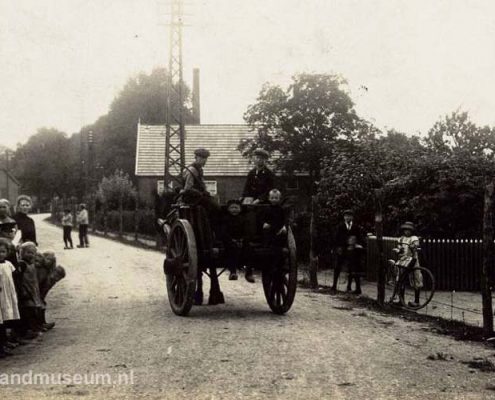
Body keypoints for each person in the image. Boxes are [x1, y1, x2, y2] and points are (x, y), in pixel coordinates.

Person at [181, 148, 220, 229]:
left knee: (216, 205)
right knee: (214, 207)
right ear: (196, 158)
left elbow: (201, 184)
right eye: (202, 158)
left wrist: (205, 192)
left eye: (205, 158)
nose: (204, 161)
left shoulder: (199, 169)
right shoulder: (192, 170)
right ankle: (211, 228)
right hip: (191, 198)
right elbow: (188, 188)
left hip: (198, 197)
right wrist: (201, 193)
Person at [389, 222, 423, 307]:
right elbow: (400, 248)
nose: (407, 232)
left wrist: (414, 246)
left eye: (409, 230)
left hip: (413, 259)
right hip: (403, 260)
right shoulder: (402, 239)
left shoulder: (414, 238)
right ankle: (401, 300)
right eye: (405, 230)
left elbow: (416, 245)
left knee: (416, 278)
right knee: (401, 278)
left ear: (412, 231)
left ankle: (416, 301)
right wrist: (398, 250)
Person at [332, 209, 364, 293]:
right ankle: (334, 286)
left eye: (349, 216)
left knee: (353, 268)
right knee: (337, 267)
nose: (347, 217)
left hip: (352, 250)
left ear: (352, 217)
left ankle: (351, 287)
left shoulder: (356, 227)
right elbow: (336, 238)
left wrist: (357, 244)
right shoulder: (340, 226)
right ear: (344, 217)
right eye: (346, 216)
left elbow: (360, 238)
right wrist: (337, 248)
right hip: (342, 250)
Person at [220, 199, 251, 282]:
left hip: (241, 240)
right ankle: (233, 272)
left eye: (236, 208)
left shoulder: (243, 219)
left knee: (249, 249)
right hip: (230, 241)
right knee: (231, 250)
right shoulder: (225, 219)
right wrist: (232, 240)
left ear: (240, 209)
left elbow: (247, 231)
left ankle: (249, 272)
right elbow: (224, 232)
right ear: (228, 209)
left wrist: (242, 239)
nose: (234, 209)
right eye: (232, 208)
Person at [17, 242, 43, 338]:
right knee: (28, 310)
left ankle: (34, 328)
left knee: (34, 309)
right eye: (28, 252)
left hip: (32, 290)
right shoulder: (22, 264)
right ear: (22, 252)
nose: (31, 255)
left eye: (33, 253)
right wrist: (22, 290)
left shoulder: (32, 264)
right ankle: (27, 330)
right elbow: (19, 279)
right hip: (25, 291)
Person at [0, 238, 20, 357]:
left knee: (6, 319)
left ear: (7, 253)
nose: (0, 254)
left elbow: (13, 277)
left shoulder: (8, 264)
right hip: (0, 296)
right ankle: (1, 348)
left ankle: (4, 343)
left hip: (7, 295)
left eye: (2, 251)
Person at [35, 251, 65, 331]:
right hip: (35, 294)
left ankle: (42, 323)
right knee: (40, 306)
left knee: (42, 305)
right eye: (48, 259)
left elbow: (45, 290)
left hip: (38, 294)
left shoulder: (50, 276)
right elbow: (39, 286)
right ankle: (39, 325)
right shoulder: (43, 272)